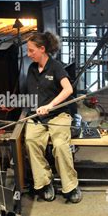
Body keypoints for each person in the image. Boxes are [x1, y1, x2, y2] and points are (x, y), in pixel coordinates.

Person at [25, 32, 82, 203]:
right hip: (37, 116)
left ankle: (70, 186)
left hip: (58, 115)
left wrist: (50, 106)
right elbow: (32, 94)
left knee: (59, 144)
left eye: (31, 51)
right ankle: (44, 183)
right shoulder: (32, 69)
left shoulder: (56, 67)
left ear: (42, 49)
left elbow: (68, 90)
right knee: (30, 141)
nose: (28, 54)